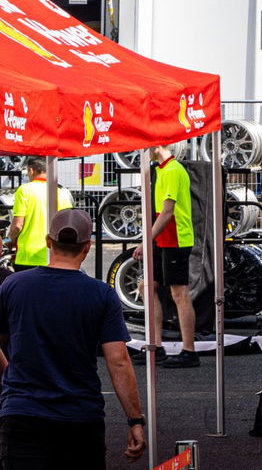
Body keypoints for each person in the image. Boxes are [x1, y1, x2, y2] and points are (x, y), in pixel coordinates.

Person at [0, 208, 146, 468]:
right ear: (87, 247)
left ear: (48, 241)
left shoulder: (14, 285)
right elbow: (119, 362)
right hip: (80, 417)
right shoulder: (101, 294)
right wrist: (135, 420)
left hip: (23, 414)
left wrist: (9, 374)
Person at [132, 145, 197, 368]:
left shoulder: (172, 170)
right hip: (163, 239)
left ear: (158, 144)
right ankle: (156, 346)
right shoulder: (161, 169)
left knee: (179, 293)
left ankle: (189, 350)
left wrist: (145, 240)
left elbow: (168, 212)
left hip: (176, 238)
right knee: (146, 286)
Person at [5, 159, 72, 272]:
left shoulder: (24, 190)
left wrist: (10, 240)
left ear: (31, 170)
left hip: (28, 257)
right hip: (55, 255)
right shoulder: (61, 191)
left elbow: (18, 225)